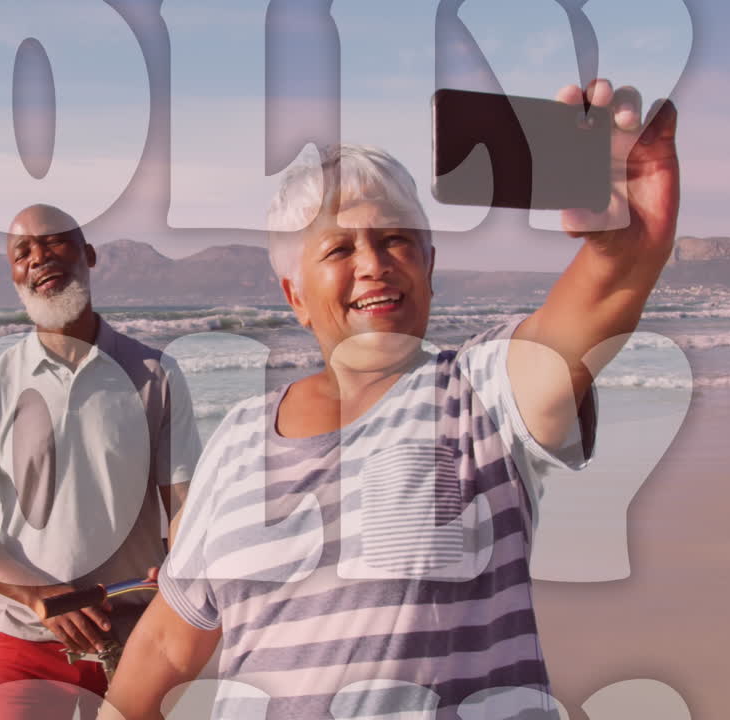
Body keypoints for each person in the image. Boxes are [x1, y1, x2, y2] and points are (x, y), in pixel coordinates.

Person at [103, 81, 680, 720]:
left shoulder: (479, 394)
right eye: (340, 248)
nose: (374, 263)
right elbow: (164, 644)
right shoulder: (237, 440)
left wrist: (624, 249)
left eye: (396, 240)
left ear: (429, 265)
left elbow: (587, 313)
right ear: (295, 295)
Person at [0, 204, 203, 719]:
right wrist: (40, 594)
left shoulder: (155, 374)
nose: (38, 258)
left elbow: (185, 504)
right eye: (22, 252)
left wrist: (182, 564)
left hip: (135, 641)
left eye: (54, 242)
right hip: (28, 643)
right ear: (13, 274)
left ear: (88, 255)